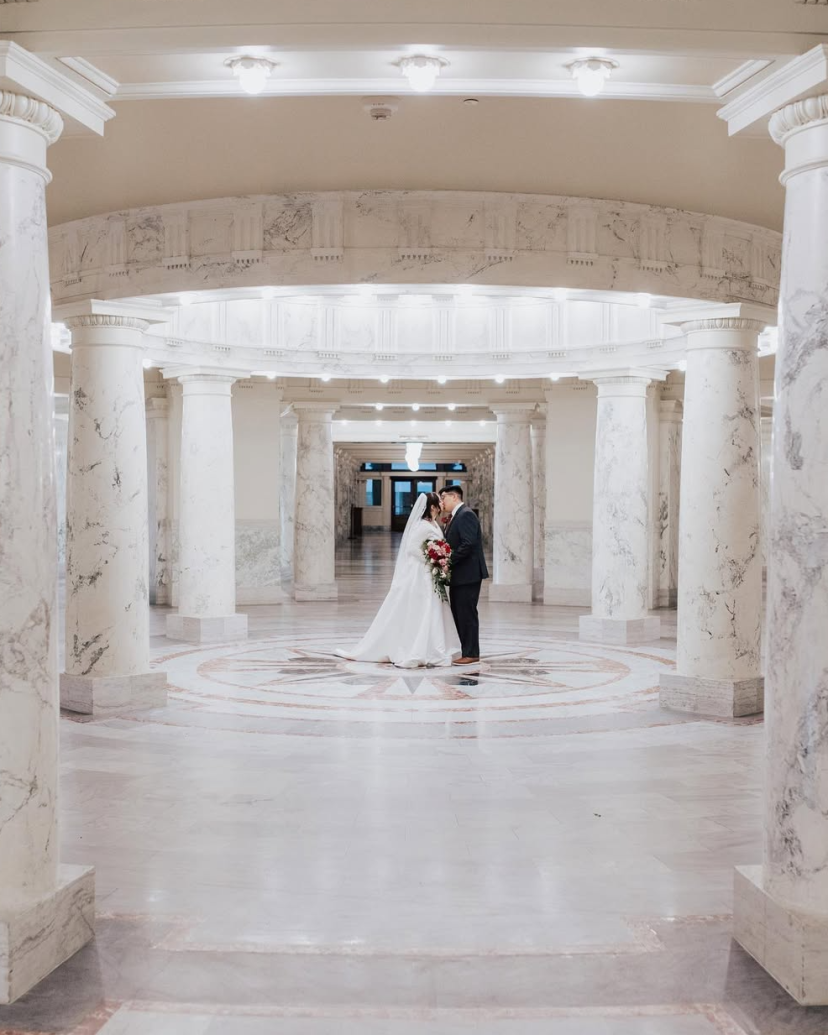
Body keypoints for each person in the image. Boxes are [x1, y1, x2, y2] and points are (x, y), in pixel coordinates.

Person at [335, 492, 461, 668]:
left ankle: (434, 646)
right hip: (421, 572)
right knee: (425, 607)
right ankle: (419, 648)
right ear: (432, 507)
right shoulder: (422, 526)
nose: (442, 503)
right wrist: (434, 560)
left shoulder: (433, 523)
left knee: (433, 608)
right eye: (439, 502)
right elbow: (411, 548)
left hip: (430, 573)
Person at [439, 484, 488, 665]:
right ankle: (465, 649)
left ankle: (472, 653)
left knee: (466, 614)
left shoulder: (466, 514)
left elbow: (467, 544)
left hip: (468, 574)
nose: (442, 502)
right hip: (460, 575)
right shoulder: (454, 517)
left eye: (443, 498)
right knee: (459, 613)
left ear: (454, 497)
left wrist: (448, 561)